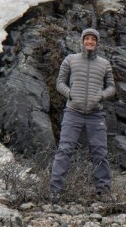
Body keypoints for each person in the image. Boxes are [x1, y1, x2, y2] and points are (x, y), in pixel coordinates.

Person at [49, 27, 116, 200]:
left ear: (97, 43)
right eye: (87, 39)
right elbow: (59, 83)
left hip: (96, 115)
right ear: (82, 41)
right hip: (73, 112)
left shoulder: (104, 63)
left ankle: (104, 192)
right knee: (64, 150)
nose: (90, 42)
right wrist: (70, 94)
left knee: (100, 152)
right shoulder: (70, 60)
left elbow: (112, 87)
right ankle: (55, 191)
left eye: (93, 39)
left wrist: (101, 95)